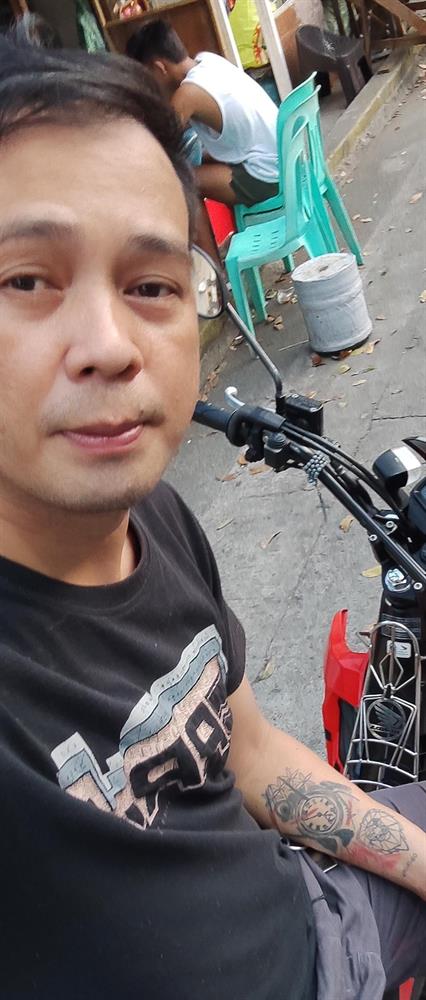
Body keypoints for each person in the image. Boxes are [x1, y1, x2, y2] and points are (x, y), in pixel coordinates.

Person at [0, 32, 425, 1000]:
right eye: (27, 279)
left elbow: (251, 749)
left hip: (319, 915)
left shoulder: (153, 516)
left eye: (150, 285)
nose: (110, 344)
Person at [126, 17, 280, 261]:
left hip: (267, 175)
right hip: (281, 159)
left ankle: (214, 270)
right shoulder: (209, 61)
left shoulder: (189, 93)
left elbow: (156, 144)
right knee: (198, 161)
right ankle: (230, 247)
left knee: (183, 180)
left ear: (160, 67)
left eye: (146, 76)